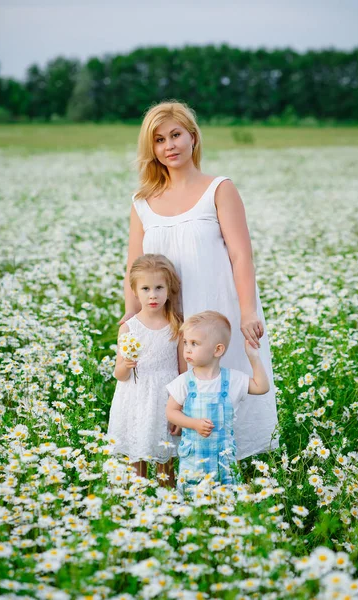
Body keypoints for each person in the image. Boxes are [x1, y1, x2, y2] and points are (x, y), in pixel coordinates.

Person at [121, 100, 278, 460]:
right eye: (159, 140)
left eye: (176, 135)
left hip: (214, 306)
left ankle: (232, 465)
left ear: (192, 137)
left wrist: (249, 312)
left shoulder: (218, 189)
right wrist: (131, 320)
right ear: (152, 149)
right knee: (164, 387)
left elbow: (241, 255)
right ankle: (168, 470)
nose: (169, 146)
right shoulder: (142, 202)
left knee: (222, 380)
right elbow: (134, 266)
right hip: (164, 316)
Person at [165, 311, 270, 491]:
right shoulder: (184, 382)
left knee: (226, 501)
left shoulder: (232, 380)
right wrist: (193, 423)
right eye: (185, 343)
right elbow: (171, 412)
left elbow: (262, 387)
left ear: (217, 350)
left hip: (224, 461)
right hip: (193, 461)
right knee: (193, 501)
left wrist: (253, 357)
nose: (187, 349)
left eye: (194, 343)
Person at [108, 254, 186, 486]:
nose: (153, 295)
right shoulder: (129, 328)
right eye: (145, 288)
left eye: (159, 287)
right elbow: (119, 375)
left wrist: (180, 407)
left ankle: (167, 500)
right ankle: (138, 499)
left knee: (166, 456)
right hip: (136, 397)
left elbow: (183, 372)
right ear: (134, 291)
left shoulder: (176, 325)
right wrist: (126, 364)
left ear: (169, 288)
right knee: (137, 450)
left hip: (166, 397)